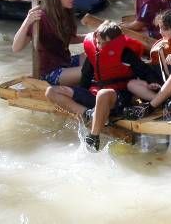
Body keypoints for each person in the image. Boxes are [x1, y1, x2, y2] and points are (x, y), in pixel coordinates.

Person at [44, 21, 145, 152]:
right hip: (94, 95)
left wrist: (153, 90)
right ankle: (86, 114)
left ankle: (93, 137)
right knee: (51, 91)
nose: (100, 46)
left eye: (104, 43)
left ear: (115, 43)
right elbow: (85, 79)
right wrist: (78, 94)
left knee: (103, 94)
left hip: (117, 99)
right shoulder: (95, 54)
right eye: (98, 42)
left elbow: (146, 73)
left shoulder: (127, 54)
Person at [12, 0, 84, 86]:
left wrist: (92, 36)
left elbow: (68, 38)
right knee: (89, 70)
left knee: (95, 55)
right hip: (50, 73)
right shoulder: (40, 18)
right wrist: (27, 22)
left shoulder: (65, 12)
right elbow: (16, 48)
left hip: (66, 62)